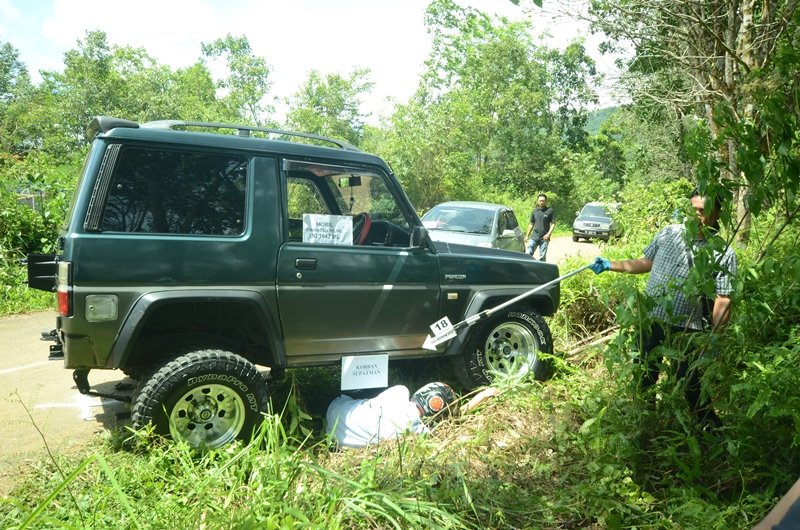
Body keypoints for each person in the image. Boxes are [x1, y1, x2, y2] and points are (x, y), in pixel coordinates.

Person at [589, 188, 737, 426]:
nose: (696, 215)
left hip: (689, 328)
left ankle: (710, 431)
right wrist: (609, 264)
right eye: (693, 209)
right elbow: (646, 262)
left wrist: (715, 339)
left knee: (689, 382)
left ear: (717, 214)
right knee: (645, 375)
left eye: (703, 210)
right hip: (652, 320)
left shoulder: (723, 251)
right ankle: (645, 425)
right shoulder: (669, 233)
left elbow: (723, 298)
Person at [325, 382, 497, 448]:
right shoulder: (417, 432)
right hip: (336, 438)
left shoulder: (400, 392)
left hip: (335, 409)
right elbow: (456, 418)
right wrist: (484, 395)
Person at [526, 194, 555, 261]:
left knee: (542, 256)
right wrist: (527, 236)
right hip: (534, 237)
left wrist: (548, 234)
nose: (541, 202)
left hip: (544, 238)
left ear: (546, 201)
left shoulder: (550, 211)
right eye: (540, 201)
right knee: (528, 254)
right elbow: (531, 224)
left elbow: (553, 223)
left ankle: (541, 270)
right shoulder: (534, 211)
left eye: (543, 201)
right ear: (537, 201)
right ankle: (527, 267)